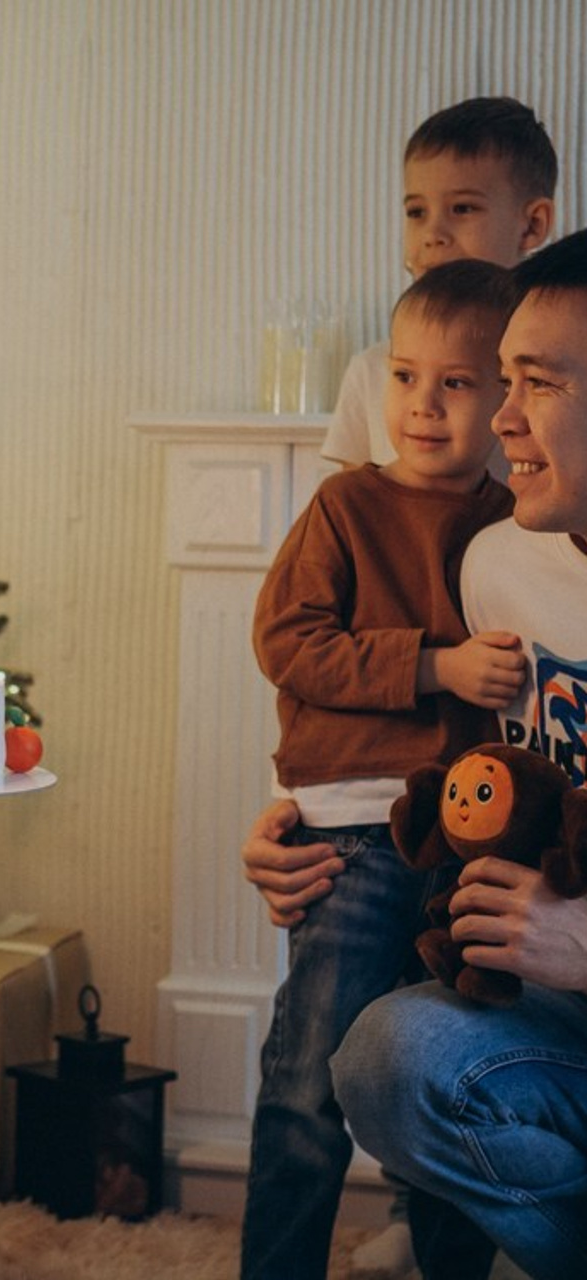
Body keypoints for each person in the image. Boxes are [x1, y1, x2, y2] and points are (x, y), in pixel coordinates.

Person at [239, 260, 525, 1280]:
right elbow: (287, 641)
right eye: (404, 376)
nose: (421, 403)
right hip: (348, 838)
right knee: (305, 1089)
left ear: (505, 398)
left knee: (441, 1092)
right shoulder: (343, 506)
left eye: (455, 382)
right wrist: (432, 663)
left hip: (463, 847)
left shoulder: (512, 524)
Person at [329, 227, 587, 1280]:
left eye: (536, 382)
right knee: (390, 1055)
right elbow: (472, 778)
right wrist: (302, 812)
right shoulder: (496, 567)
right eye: (502, 379)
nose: (501, 416)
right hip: (548, 1017)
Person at [323, 97, 556, 469]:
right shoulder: (373, 370)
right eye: (416, 212)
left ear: (532, 224)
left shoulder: (563, 372)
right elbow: (352, 508)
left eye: (462, 208)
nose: (432, 234)